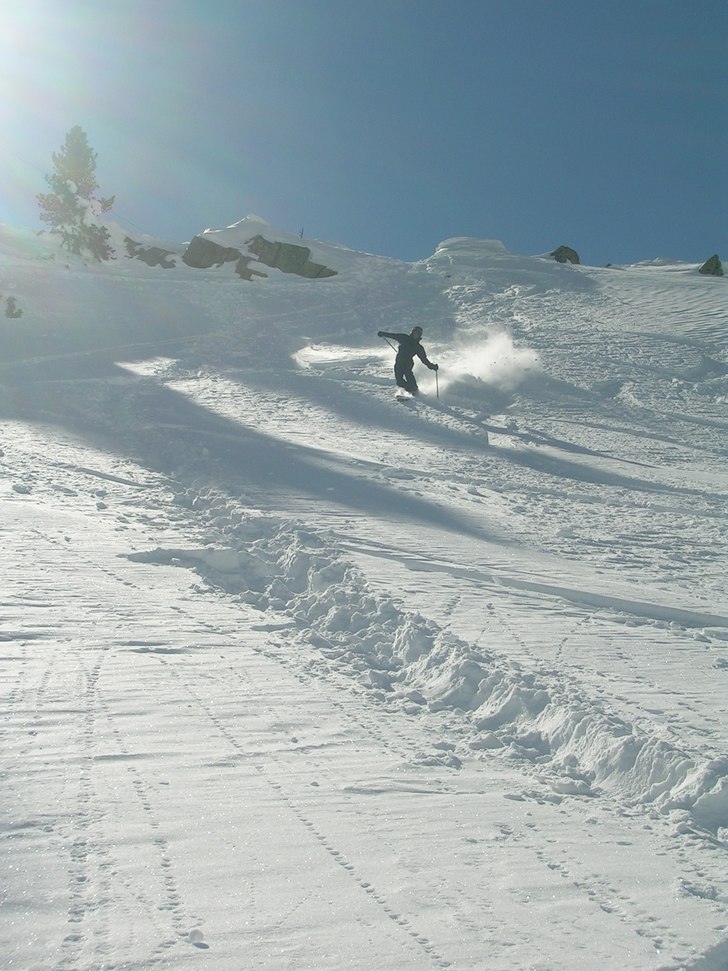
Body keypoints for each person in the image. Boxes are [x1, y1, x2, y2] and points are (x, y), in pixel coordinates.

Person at [377, 326, 438, 396]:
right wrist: (383, 333)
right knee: (399, 382)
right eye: (415, 333)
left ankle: (414, 390)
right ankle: (410, 389)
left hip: (408, 363)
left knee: (409, 375)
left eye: (418, 334)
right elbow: (393, 335)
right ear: (412, 332)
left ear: (420, 335)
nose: (416, 335)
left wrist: (432, 366)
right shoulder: (404, 338)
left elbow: (424, 359)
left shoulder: (418, 347)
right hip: (399, 363)